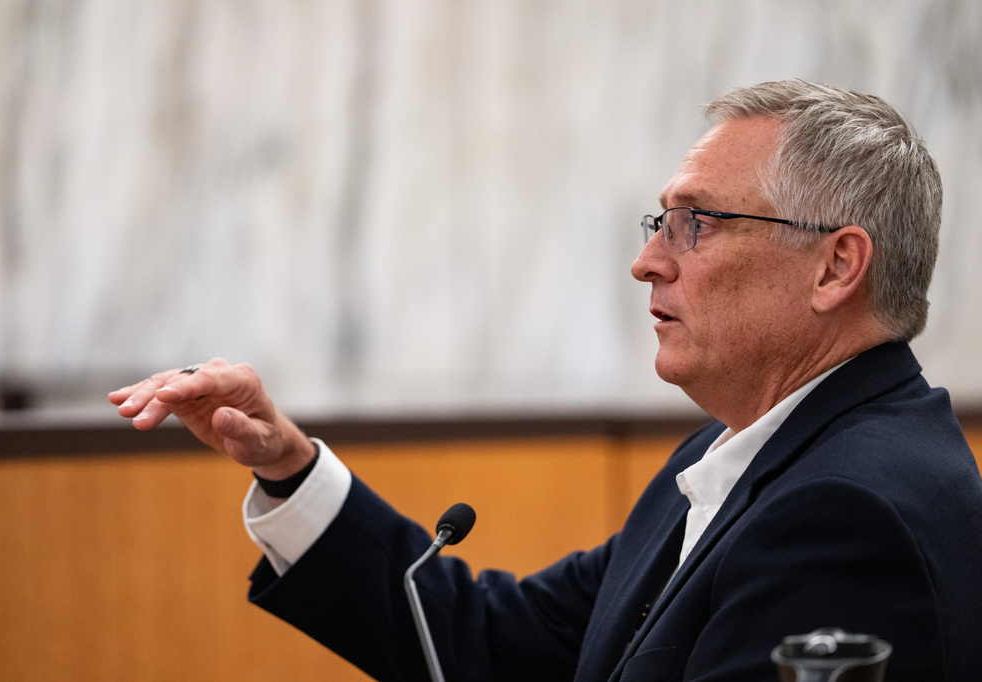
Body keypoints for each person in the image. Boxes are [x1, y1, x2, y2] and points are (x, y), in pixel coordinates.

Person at [109, 79, 982, 681]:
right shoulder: (750, 454)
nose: (647, 263)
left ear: (836, 267)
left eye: (696, 224)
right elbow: (506, 647)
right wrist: (290, 469)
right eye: (660, 223)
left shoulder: (847, 513)